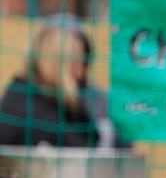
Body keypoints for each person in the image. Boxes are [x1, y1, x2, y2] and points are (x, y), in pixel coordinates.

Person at [0, 19, 118, 148]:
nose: (82, 73)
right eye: (78, 63)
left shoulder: (41, 99)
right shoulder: (35, 114)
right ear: (56, 65)